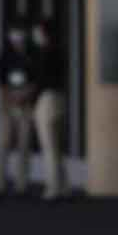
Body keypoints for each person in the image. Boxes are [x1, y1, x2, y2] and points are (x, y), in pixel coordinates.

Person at [0, 16, 36, 196]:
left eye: (20, 33)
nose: (17, 36)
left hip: (26, 103)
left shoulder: (32, 54)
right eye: (14, 33)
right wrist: (8, 96)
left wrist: (25, 94)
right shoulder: (5, 55)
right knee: (3, 143)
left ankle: (22, 184)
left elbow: (36, 79)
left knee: (24, 144)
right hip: (8, 104)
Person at [30, 17, 68, 201]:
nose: (35, 35)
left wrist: (32, 99)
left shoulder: (45, 53)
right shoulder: (60, 51)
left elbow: (41, 80)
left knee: (49, 146)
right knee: (58, 146)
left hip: (46, 99)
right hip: (60, 98)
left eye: (37, 31)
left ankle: (53, 187)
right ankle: (63, 185)